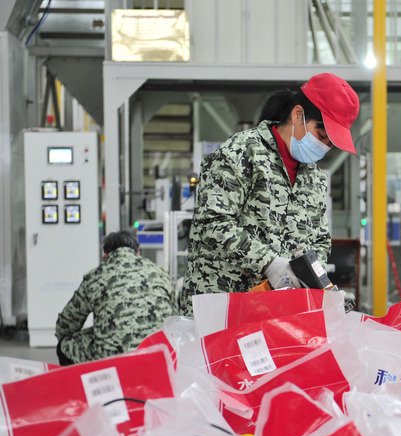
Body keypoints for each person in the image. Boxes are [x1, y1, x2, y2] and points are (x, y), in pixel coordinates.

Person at [178, 73, 360, 315]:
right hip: (222, 307)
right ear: (298, 115)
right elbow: (213, 222)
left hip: (275, 312)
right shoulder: (241, 152)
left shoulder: (314, 178)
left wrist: (313, 279)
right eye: (322, 136)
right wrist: (270, 264)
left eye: (330, 144)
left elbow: (320, 241)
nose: (324, 147)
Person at [55, 231, 177, 365]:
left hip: (112, 359)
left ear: (105, 255)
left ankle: (95, 377)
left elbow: (67, 324)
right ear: (138, 252)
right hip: (158, 353)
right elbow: (176, 319)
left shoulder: (96, 277)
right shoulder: (161, 274)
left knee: (64, 345)